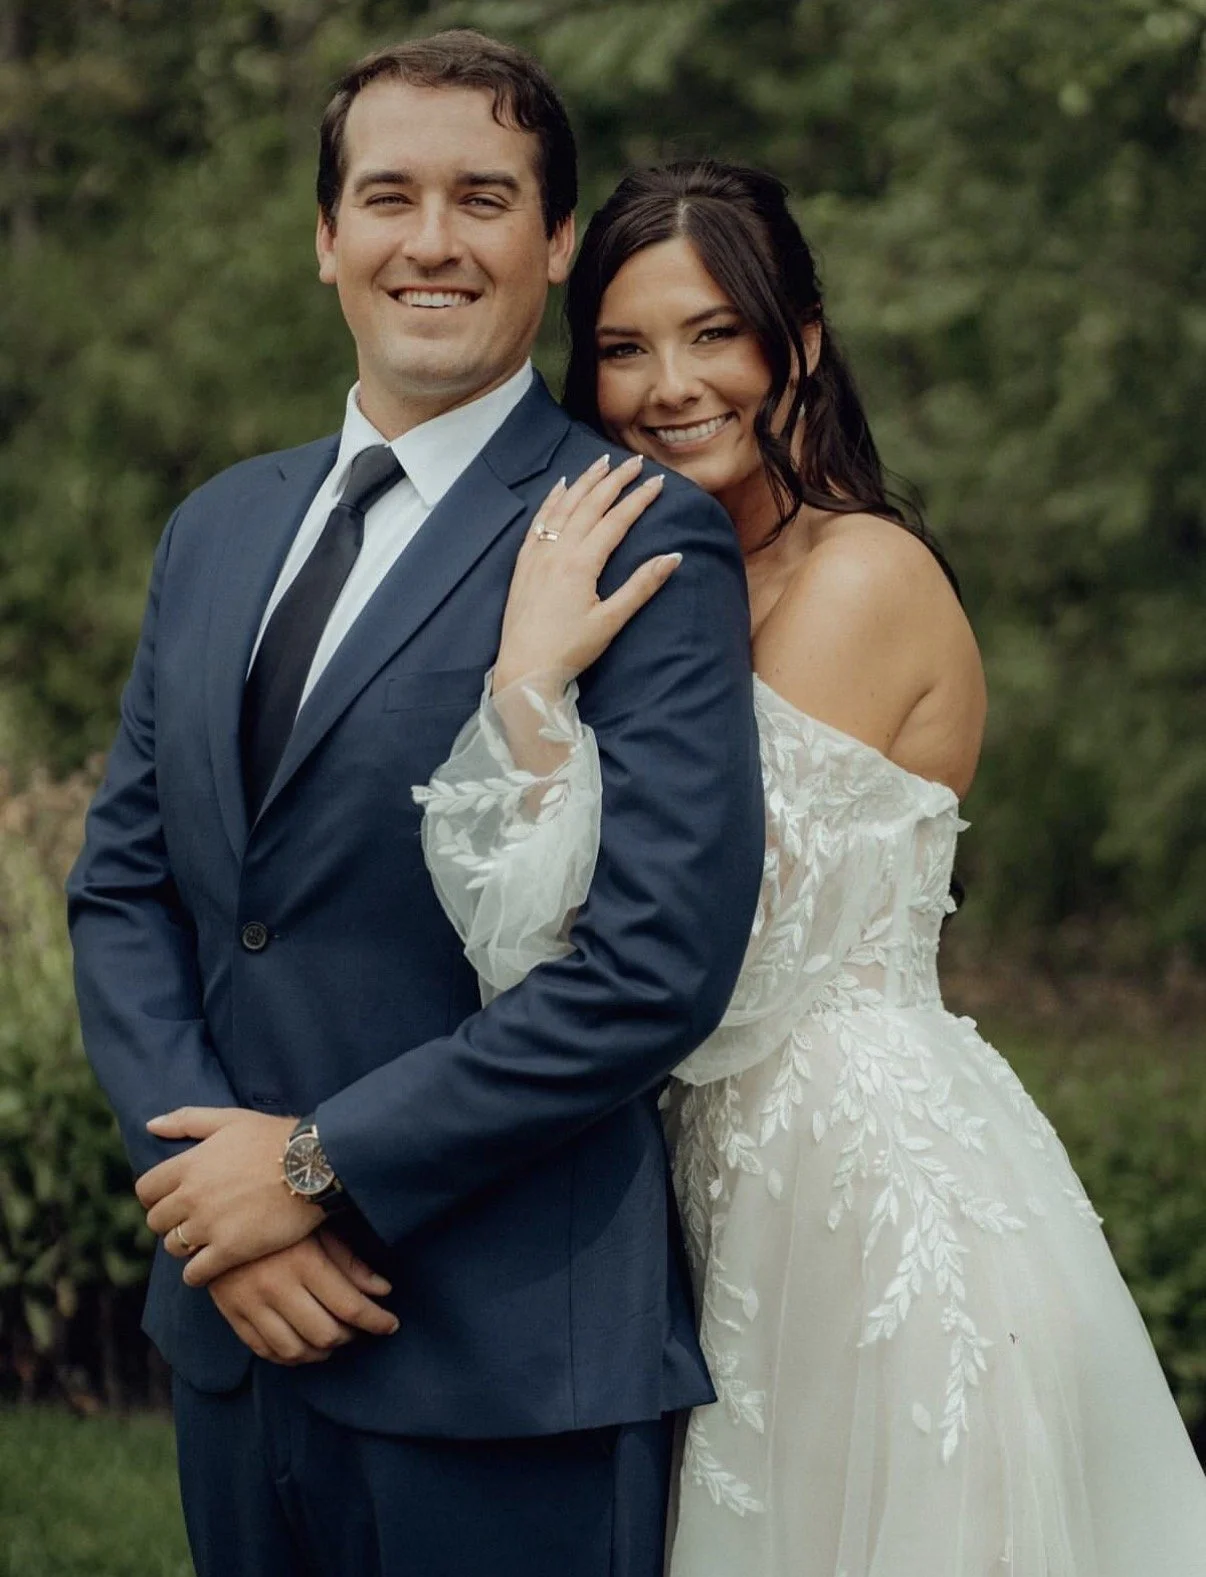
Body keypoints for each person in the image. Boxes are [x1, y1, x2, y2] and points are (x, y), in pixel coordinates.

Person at [415, 160, 1206, 1575]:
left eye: (713, 333)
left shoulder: (858, 579)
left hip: (859, 1210)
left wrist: (529, 697)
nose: (669, 385)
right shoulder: (665, 582)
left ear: (802, 343)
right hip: (718, 1215)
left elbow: (705, 966)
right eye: (623, 347)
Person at [66, 38, 765, 1577]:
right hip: (234, 1340)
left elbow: (655, 966)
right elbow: (126, 891)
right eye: (389, 197)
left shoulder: (637, 532)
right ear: (327, 238)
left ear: (556, 242)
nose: (431, 240)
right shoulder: (215, 526)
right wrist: (209, 1205)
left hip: (499, 1358)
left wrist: (312, 1170)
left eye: (484, 198)